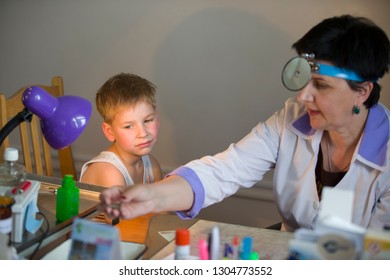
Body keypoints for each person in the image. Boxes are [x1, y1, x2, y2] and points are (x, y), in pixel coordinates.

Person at [99, 15, 390, 232]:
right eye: (304, 81)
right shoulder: (291, 119)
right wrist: (153, 195)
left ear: (362, 91)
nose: (303, 95)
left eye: (321, 86)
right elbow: (225, 170)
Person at [80, 73, 162, 187]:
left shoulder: (152, 166)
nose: (143, 133)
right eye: (128, 126)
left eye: (148, 120)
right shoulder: (109, 172)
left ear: (157, 118)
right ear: (109, 132)